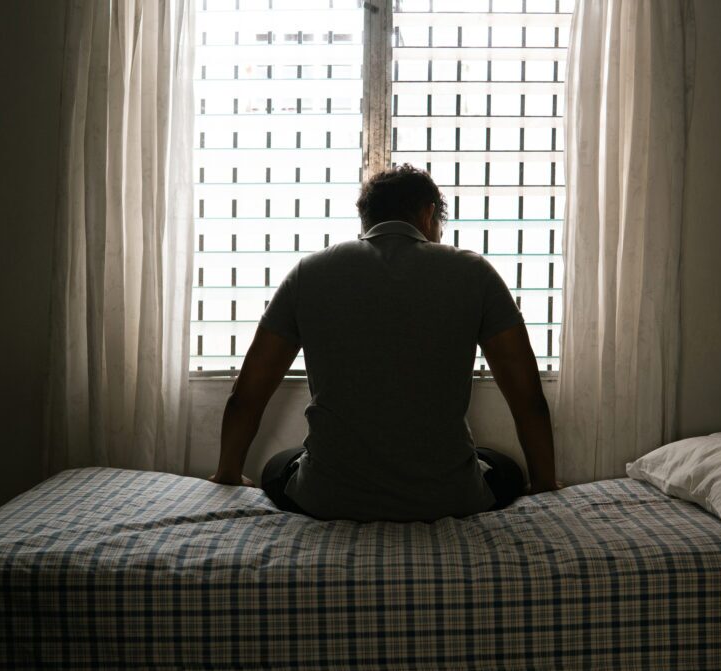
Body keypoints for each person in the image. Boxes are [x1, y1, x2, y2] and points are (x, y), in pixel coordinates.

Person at [209, 164, 557, 521]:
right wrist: (545, 481)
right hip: (448, 499)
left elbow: (246, 396)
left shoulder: (309, 272)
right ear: (427, 214)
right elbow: (528, 398)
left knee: (277, 466)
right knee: (505, 469)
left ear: (366, 219)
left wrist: (228, 475)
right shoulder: (474, 272)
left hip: (326, 499)